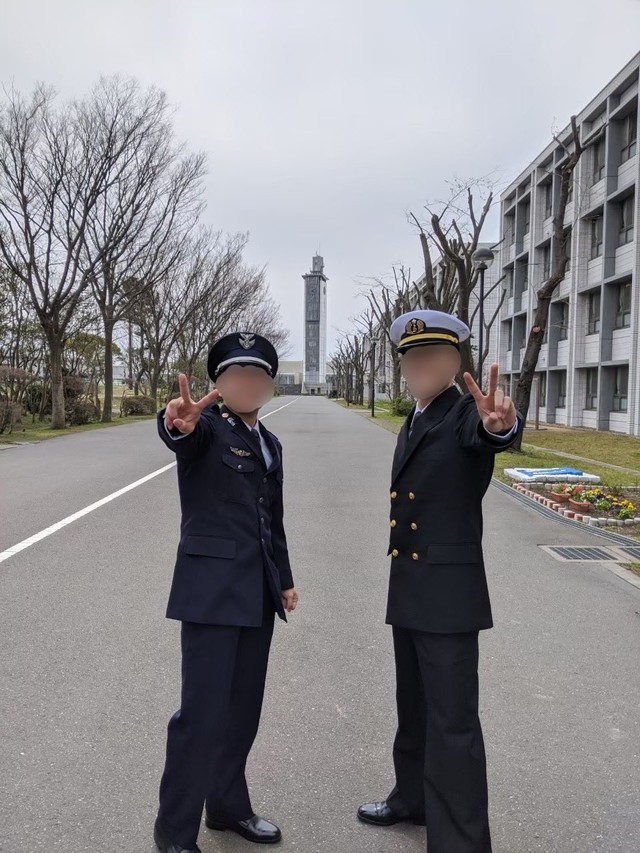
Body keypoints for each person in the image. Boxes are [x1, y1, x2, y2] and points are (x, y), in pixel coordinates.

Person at [357, 310, 523, 853]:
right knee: (415, 706)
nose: (422, 365)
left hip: (448, 596)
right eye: (413, 358)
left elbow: (488, 435)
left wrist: (502, 427)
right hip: (410, 586)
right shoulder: (417, 414)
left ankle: (461, 842)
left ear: (455, 362)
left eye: (435, 356)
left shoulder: (462, 414)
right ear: (403, 366)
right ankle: (413, 798)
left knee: (453, 723)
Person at [153, 331, 299, 853]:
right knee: (201, 715)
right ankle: (174, 832)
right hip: (211, 594)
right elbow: (181, 435)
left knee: (243, 710)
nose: (247, 382)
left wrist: (282, 578)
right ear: (218, 383)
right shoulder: (207, 430)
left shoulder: (269, 441)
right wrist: (176, 423)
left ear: (268, 384)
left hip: (256, 593)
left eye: (256, 375)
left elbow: (270, 519)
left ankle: (228, 806)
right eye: (236, 374)